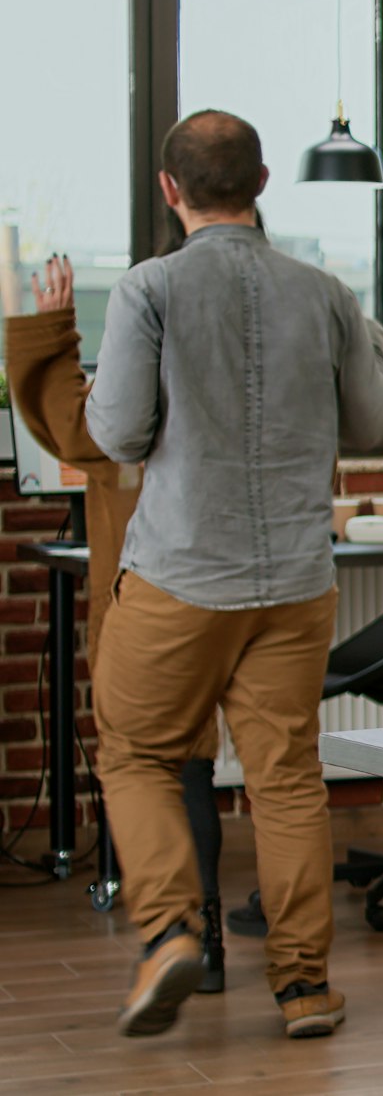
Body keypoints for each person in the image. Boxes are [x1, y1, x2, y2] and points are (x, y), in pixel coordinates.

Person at [84, 109, 383, 1039]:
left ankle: (175, 928)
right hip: (296, 582)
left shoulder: (148, 291)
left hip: (181, 574)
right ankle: (304, 987)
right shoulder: (326, 292)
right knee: (288, 777)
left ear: (169, 190)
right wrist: (371, 343)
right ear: (262, 184)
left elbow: (117, 434)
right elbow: (370, 425)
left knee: (134, 751)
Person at [7, 254, 234, 993]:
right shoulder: (224, 388)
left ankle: (178, 936)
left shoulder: (123, 413)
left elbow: (67, 424)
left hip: (148, 608)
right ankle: (233, 953)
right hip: (233, 597)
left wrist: (54, 326)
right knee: (204, 770)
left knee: (146, 768)